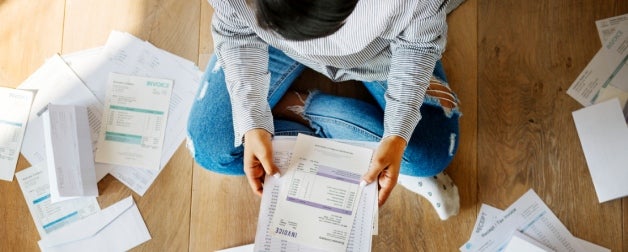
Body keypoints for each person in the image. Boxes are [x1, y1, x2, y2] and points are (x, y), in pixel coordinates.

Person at [187, 0, 465, 220]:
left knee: (430, 154)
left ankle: (297, 107)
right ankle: (326, 127)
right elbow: (236, 32)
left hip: (381, 52)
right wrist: (251, 119)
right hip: (271, 43)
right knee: (211, 148)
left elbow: (417, 46)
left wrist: (397, 135)